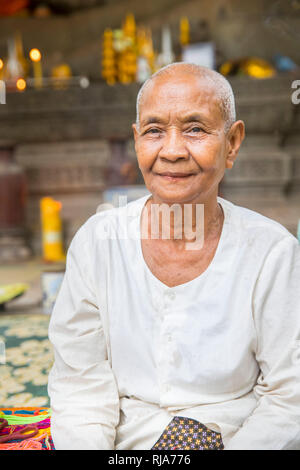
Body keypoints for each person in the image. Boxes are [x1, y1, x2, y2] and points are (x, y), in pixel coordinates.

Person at [48, 62, 300, 450]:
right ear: (137, 141)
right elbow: (80, 385)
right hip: (124, 441)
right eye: (153, 131)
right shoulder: (98, 243)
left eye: (196, 129)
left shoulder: (273, 254)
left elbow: (289, 397)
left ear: (232, 143)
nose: (172, 151)